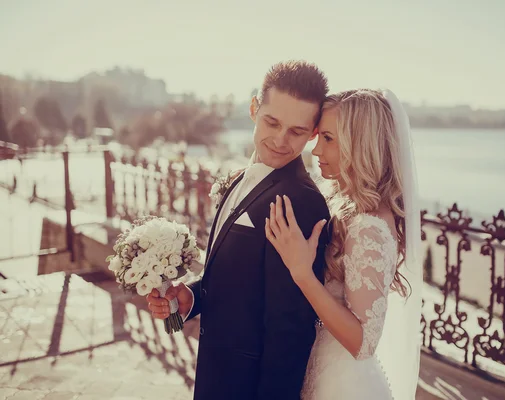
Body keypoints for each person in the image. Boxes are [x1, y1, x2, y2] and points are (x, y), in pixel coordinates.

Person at [146, 60, 331, 400]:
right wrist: (191, 297)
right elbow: (241, 283)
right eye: (272, 122)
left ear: (314, 133)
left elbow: (290, 331)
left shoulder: (301, 202)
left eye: (297, 131)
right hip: (217, 375)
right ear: (253, 108)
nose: (280, 140)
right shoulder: (241, 178)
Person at [265, 89, 423, 399]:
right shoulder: (344, 204)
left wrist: (301, 273)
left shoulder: (369, 227)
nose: (315, 150)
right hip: (319, 368)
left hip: (342, 386)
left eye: (328, 139)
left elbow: (362, 342)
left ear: (359, 145)